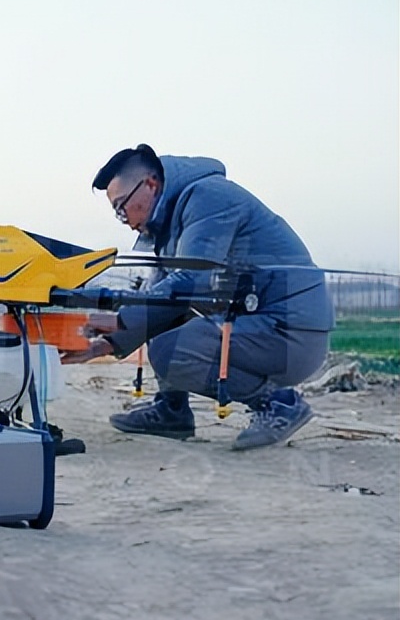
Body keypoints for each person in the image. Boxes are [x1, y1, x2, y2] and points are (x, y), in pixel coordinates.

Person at [61, 144, 333, 450]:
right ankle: (172, 409)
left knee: (171, 348)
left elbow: (193, 281)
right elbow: (161, 299)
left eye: (122, 206)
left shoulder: (207, 198)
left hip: (289, 332)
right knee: (164, 318)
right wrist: (108, 343)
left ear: (150, 185)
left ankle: (278, 404)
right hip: (257, 325)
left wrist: (120, 319)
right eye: (116, 211)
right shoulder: (170, 226)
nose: (122, 217)